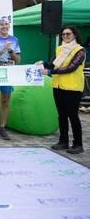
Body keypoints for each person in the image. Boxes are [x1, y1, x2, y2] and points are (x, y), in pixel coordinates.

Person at [41, 26, 86, 154]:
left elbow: (71, 68)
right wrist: (43, 63)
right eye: (63, 34)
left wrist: (50, 71)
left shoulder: (80, 50)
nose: (65, 36)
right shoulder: (60, 49)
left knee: (73, 116)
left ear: (75, 35)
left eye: (68, 34)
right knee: (62, 116)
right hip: (58, 86)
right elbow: (53, 64)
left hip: (73, 88)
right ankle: (63, 141)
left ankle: (78, 144)